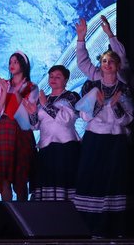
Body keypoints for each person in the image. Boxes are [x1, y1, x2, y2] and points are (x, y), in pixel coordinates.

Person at [73, 18, 131, 238]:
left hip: (116, 141)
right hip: (95, 139)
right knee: (92, 178)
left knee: (114, 181)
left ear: (117, 66)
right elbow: (82, 62)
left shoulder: (123, 85)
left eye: (111, 62)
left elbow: (128, 118)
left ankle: (115, 227)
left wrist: (109, 35)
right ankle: (89, 227)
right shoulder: (93, 82)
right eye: (104, 61)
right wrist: (81, 38)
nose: (107, 64)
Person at [23, 65, 80, 202]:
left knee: (64, 183)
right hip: (46, 148)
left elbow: (66, 120)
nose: (53, 79)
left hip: (66, 148)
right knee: (46, 183)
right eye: (51, 76)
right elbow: (35, 126)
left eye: (58, 77)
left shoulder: (71, 97)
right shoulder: (44, 98)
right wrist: (32, 113)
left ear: (66, 80)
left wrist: (45, 105)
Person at [0, 51, 36, 202]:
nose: (12, 65)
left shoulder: (31, 87)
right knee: (4, 174)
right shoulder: (4, 84)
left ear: (23, 65)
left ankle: (23, 212)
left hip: (21, 128)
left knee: (20, 175)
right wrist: (4, 91)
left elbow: (28, 110)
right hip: (5, 128)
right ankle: (7, 211)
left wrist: (17, 93)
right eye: (10, 62)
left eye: (15, 62)